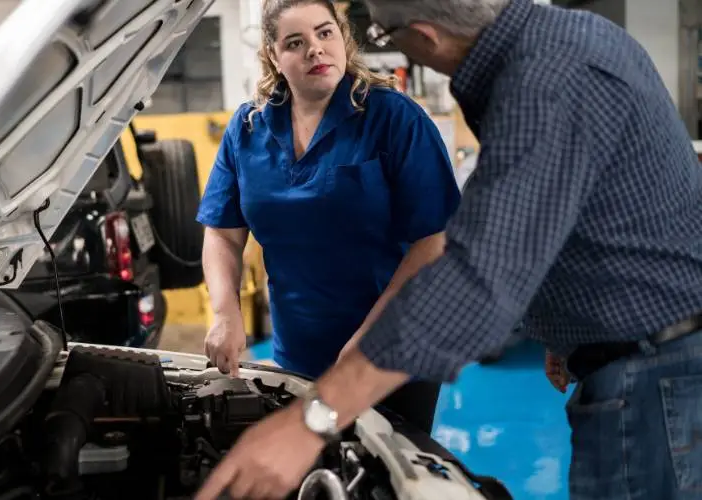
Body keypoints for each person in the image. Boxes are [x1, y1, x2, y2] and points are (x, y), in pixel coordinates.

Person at [195, 0, 702, 499]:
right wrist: (563, 323)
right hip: (640, 360)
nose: (318, 49)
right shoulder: (570, 38)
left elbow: (473, 278)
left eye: (381, 35)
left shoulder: (540, 84)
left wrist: (311, 421)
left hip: (653, 374)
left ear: (424, 36)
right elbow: (580, 211)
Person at [196, 0, 461, 436]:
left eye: (324, 33)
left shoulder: (393, 118)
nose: (315, 49)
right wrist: (225, 312)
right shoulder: (247, 129)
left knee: (383, 465)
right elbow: (223, 233)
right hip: (298, 357)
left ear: (343, 37)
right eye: (295, 42)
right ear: (274, 56)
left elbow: (435, 241)